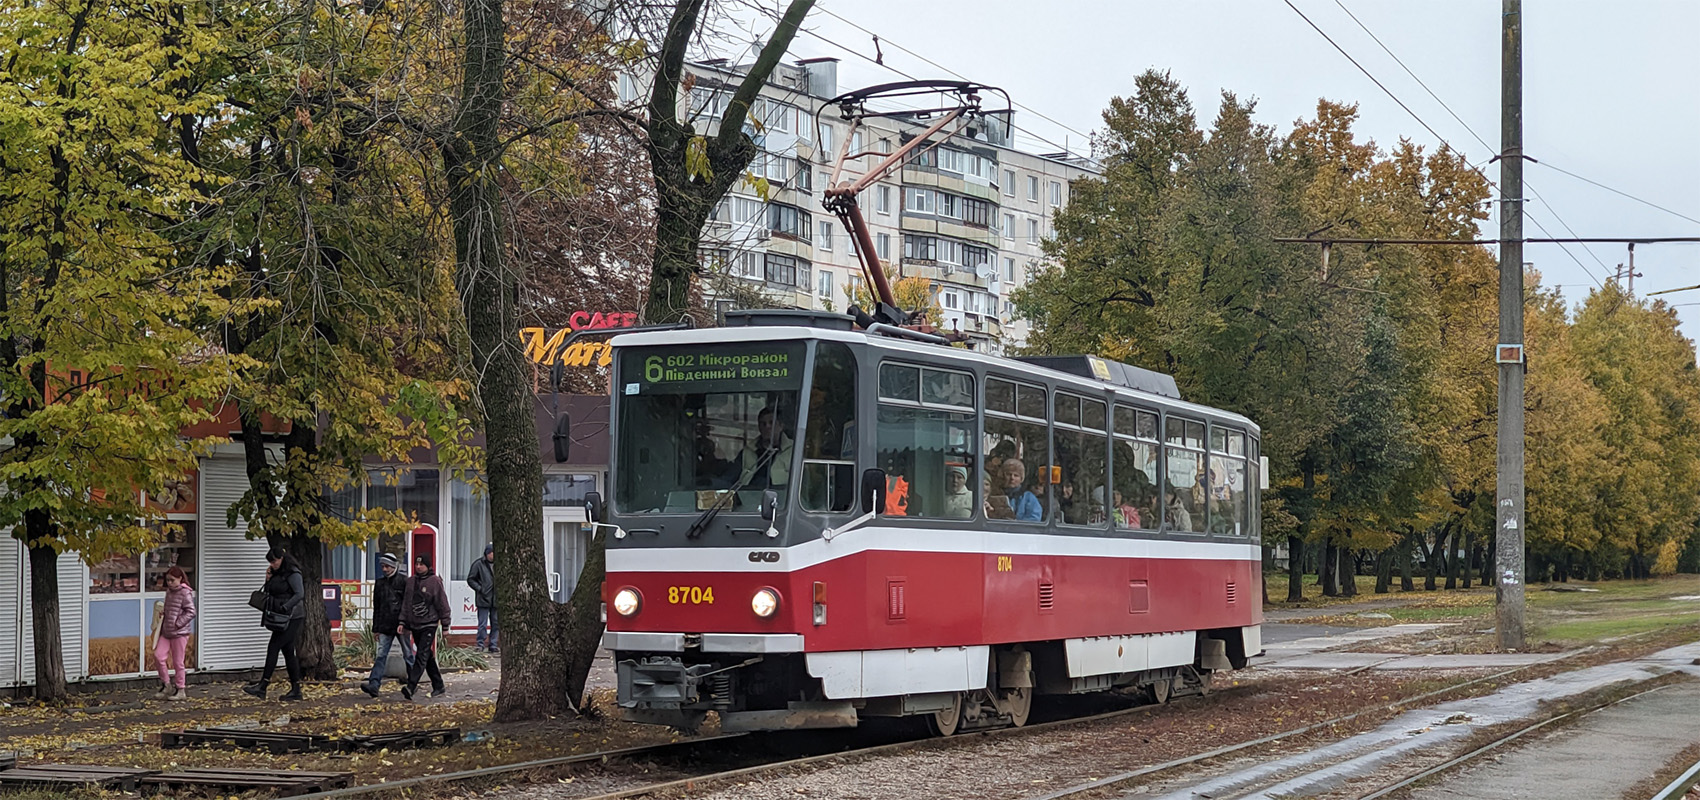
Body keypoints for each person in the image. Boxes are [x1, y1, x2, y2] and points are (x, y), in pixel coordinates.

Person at [245, 547, 305, 701]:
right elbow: (269, 591)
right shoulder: (276, 573)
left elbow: (299, 594)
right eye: (270, 562)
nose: (272, 564)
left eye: (274, 561)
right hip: (280, 615)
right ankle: (296, 689)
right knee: (288, 652)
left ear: (282, 558)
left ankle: (263, 686)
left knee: (274, 647)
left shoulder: (293, 573)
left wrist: (286, 607)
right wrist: (267, 578)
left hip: (292, 616)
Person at [361, 552, 414, 697]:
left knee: (408, 654)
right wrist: (376, 629)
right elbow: (377, 607)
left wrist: (404, 623)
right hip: (385, 624)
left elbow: (407, 605)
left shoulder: (404, 581)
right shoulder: (380, 583)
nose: (384, 569)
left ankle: (412, 684)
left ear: (394, 566)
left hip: (400, 624)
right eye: (383, 566)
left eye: (387, 566)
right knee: (381, 655)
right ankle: (374, 684)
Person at [400, 554, 451, 700]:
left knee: (421, 655)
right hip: (415, 624)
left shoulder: (434, 581)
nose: (418, 567)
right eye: (416, 564)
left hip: (429, 623)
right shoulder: (411, 582)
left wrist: (445, 624)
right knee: (427, 656)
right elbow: (406, 603)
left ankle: (411, 686)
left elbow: (442, 603)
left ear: (427, 566)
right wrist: (402, 622)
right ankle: (438, 685)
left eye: (421, 564)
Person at [152, 566, 195, 702]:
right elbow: (170, 608)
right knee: (158, 656)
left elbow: (191, 611)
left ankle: (181, 689)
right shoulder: (169, 592)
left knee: (178, 662)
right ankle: (166, 684)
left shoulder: (185, 593)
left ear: (180, 579)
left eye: (172, 580)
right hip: (166, 630)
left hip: (179, 633)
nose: (169, 583)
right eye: (168, 580)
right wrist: (163, 614)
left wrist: (177, 623)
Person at [737, 406, 794, 489]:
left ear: (781, 426)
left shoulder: (794, 450)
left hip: (782, 497)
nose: (767, 427)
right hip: (748, 496)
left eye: (771, 423)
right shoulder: (748, 450)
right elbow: (732, 477)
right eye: (763, 424)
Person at [466, 543, 498, 653]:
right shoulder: (478, 564)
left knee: (496, 623)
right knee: (482, 624)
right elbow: (471, 579)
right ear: (487, 553)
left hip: (496, 599)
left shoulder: (499, 565)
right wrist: (480, 589)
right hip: (483, 598)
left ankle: (493, 644)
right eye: (491, 553)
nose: (493, 555)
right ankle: (480, 643)